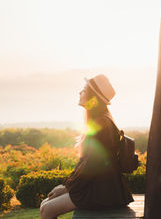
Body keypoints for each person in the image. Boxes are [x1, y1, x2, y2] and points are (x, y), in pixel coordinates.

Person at [40, 74, 133, 219]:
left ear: (93, 98)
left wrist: (67, 188)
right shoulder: (98, 120)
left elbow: (92, 164)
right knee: (45, 205)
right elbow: (84, 162)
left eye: (83, 90)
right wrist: (66, 185)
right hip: (96, 185)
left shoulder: (102, 124)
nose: (79, 92)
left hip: (101, 191)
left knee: (47, 210)